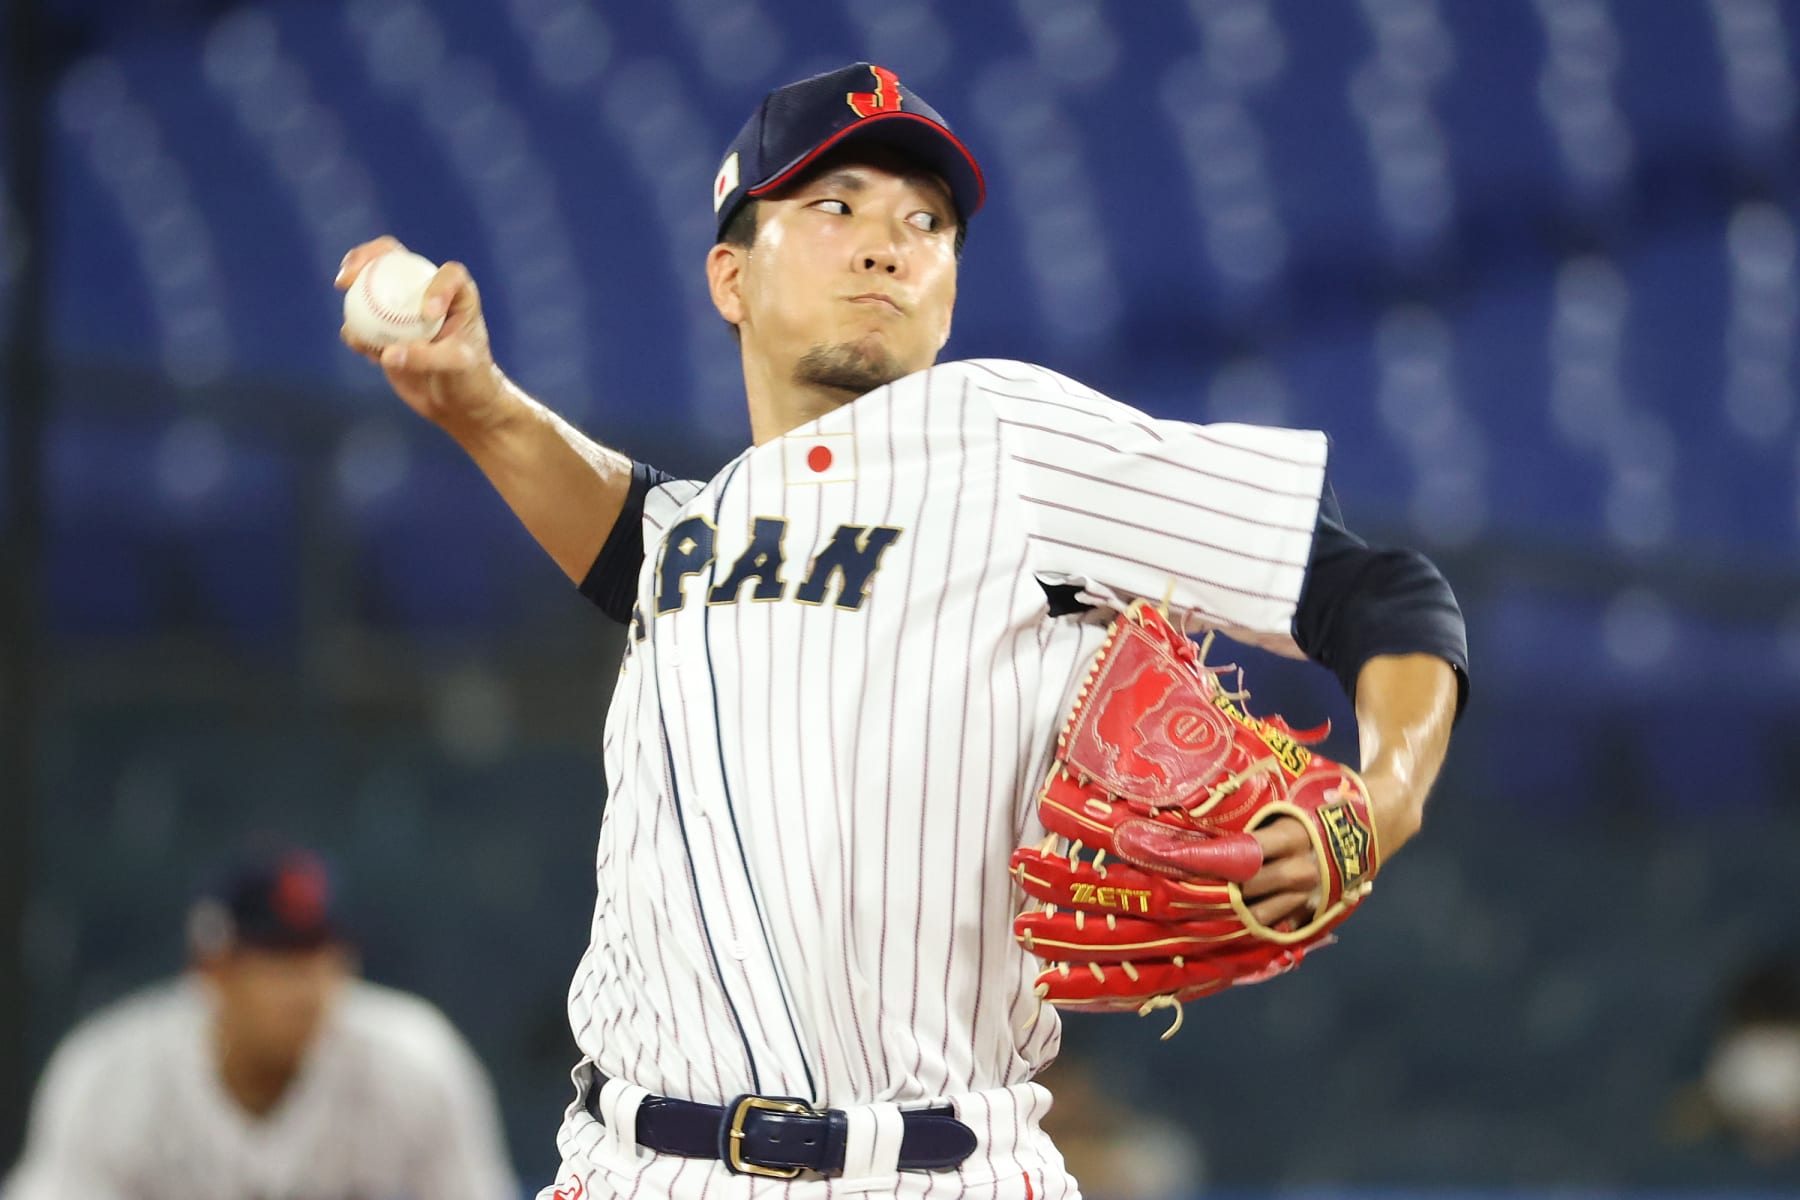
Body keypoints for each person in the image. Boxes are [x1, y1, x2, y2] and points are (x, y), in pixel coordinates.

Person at [336, 62, 1468, 1200]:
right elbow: (641, 537)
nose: (887, 243)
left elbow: (1372, 587)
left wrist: (1387, 793)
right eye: (834, 207)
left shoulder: (1007, 441)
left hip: (932, 1167)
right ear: (729, 275)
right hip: (633, 1165)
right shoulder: (704, 531)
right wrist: (479, 405)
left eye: (924, 222)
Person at [4, 846, 517, 1200]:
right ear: (212, 969)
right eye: (278, 958)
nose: (308, 986)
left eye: (322, 956)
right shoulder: (112, 1076)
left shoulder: (415, 1060)